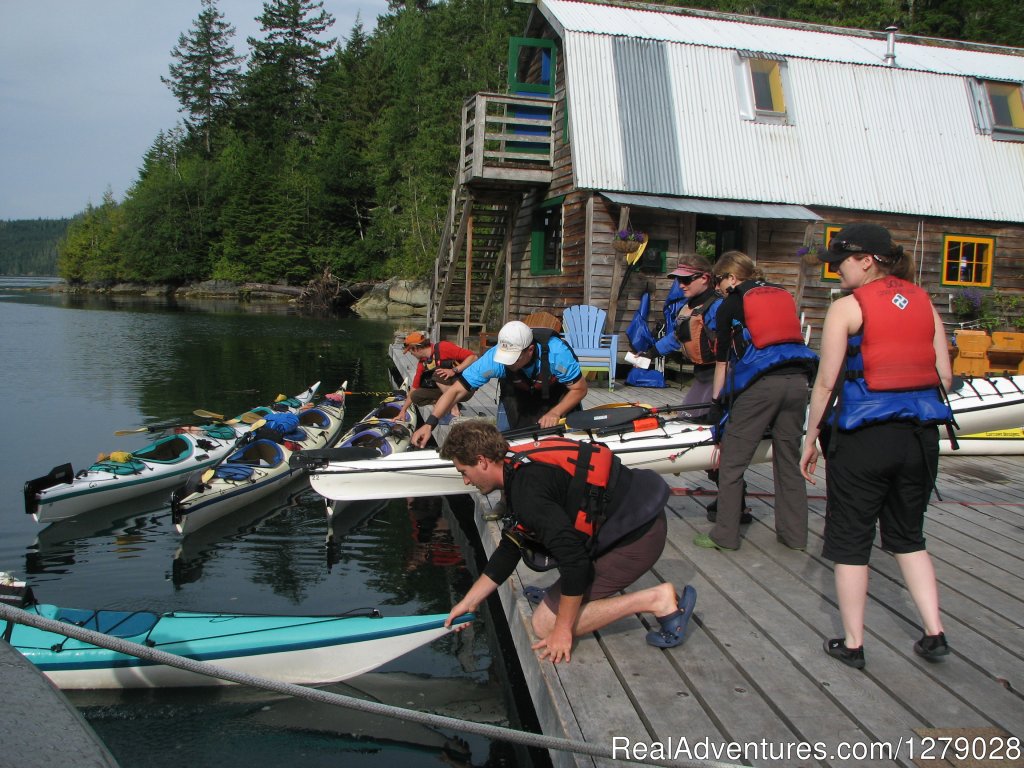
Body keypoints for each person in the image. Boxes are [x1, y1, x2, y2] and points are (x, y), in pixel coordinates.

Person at [800, 224, 953, 670]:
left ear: (866, 259)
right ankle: (934, 632)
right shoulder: (925, 303)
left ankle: (853, 643)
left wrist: (810, 439)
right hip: (920, 438)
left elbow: (826, 383)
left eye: (840, 263)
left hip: (865, 438)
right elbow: (943, 376)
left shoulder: (847, 308)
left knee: (851, 541)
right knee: (909, 538)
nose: (836, 272)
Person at [439, 420, 698, 662]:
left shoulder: (528, 495)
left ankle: (656, 600)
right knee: (560, 594)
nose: (466, 480)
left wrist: (563, 629)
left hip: (637, 538)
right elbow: (511, 545)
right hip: (633, 515)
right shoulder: (517, 464)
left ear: (482, 461)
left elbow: (576, 563)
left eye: (464, 471)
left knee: (544, 625)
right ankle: (565, 599)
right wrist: (470, 601)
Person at [694, 250, 818, 551]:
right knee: (788, 461)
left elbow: (723, 362)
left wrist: (717, 402)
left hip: (762, 388)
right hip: (799, 382)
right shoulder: (781, 295)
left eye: (719, 280)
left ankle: (724, 535)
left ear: (732, 277)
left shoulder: (730, 304)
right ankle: (794, 536)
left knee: (733, 463)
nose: (718, 288)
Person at [648, 256, 750, 524]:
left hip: (722, 377)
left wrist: (723, 393)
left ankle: (735, 502)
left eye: (686, 279)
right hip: (702, 378)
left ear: (705, 278)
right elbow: (677, 337)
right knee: (696, 433)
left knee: (710, 438)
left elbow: (730, 347)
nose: (680, 285)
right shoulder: (689, 306)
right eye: (678, 279)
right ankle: (733, 498)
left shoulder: (717, 307)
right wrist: (650, 352)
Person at [411, 320, 588, 447]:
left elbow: (579, 389)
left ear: (530, 350)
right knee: (504, 448)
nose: (508, 363)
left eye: (513, 359)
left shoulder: (558, 354)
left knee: (566, 447)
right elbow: (456, 391)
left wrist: (556, 412)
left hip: (557, 397)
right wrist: (429, 424)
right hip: (517, 395)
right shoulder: (494, 358)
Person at [396, 332, 477, 421]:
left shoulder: (443, 347)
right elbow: (414, 388)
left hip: (466, 388)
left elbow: (473, 357)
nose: (411, 355)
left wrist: (454, 370)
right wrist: (403, 410)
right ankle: (447, 405)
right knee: (415, 396)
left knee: (437, 374)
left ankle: (455, 412)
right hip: (451, 390)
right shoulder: (422, 363)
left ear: (416, 348)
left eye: (411, 352)